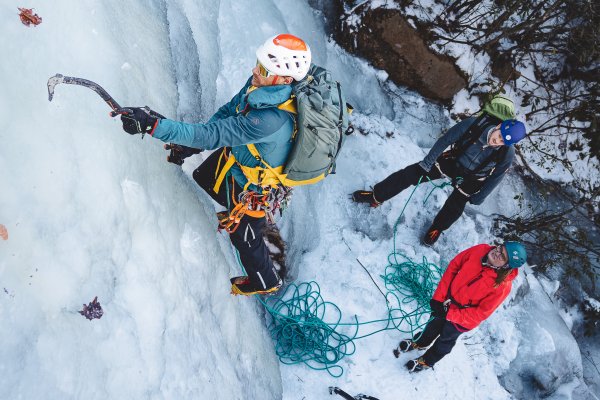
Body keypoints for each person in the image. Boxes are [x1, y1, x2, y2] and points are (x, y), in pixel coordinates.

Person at [115, 34, 312, 296]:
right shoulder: (262, 87)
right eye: (258, 62)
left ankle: (266, 282)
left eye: (264, 68)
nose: (254, 70)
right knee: (204, 175)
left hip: (257, 185)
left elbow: (213, 136)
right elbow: (229, 113)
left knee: (244, 238)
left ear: (285, 80)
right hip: (243, 159)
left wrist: (154, 126)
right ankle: (234, 211)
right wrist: (193, 143)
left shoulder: (271, 120)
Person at [352, 116, 527, 245]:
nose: (498, 141)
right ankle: (376, 196)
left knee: (455, 207)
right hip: (453, 161)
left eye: (503, 141)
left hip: (473, 177)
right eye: (499, 135)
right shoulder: (474, 125)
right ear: (499, 125)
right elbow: (447, 139)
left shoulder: (506, 154)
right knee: (409, 174)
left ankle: (437, 228)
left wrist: (480, 196)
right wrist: (427, 163)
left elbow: (496, 177)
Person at [393, 241, 527, 372]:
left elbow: (480, 313)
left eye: (502, 256)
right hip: (446, 302)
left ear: (507, 266)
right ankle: (420, 342)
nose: (496, 252)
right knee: (432, 325)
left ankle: (428, 361)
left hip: (463, 319)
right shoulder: (480, 250)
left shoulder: (502, 286)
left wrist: (450, 315)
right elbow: (454, 266)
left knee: (445, 340)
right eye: (500, 248)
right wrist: (438, 298)